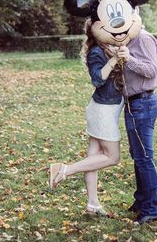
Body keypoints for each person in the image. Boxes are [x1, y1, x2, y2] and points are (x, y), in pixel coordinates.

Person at [49, 19, 124, 215]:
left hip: (105, 109)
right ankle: (64, 170)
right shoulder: (97, 52)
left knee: (93, 157)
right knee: (113, 157)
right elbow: (98, 79)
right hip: (102, 111)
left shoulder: (108, 46)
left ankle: (92, 204)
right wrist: (114, 60)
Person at [116, 27, 157, 225]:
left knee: (144, 158)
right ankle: (141, 200)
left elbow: (152, 71)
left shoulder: (142, 38)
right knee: (138, 156)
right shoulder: (128, 39)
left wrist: (129, 59)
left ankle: (151, 209)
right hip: (133, 103)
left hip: (142, 102)